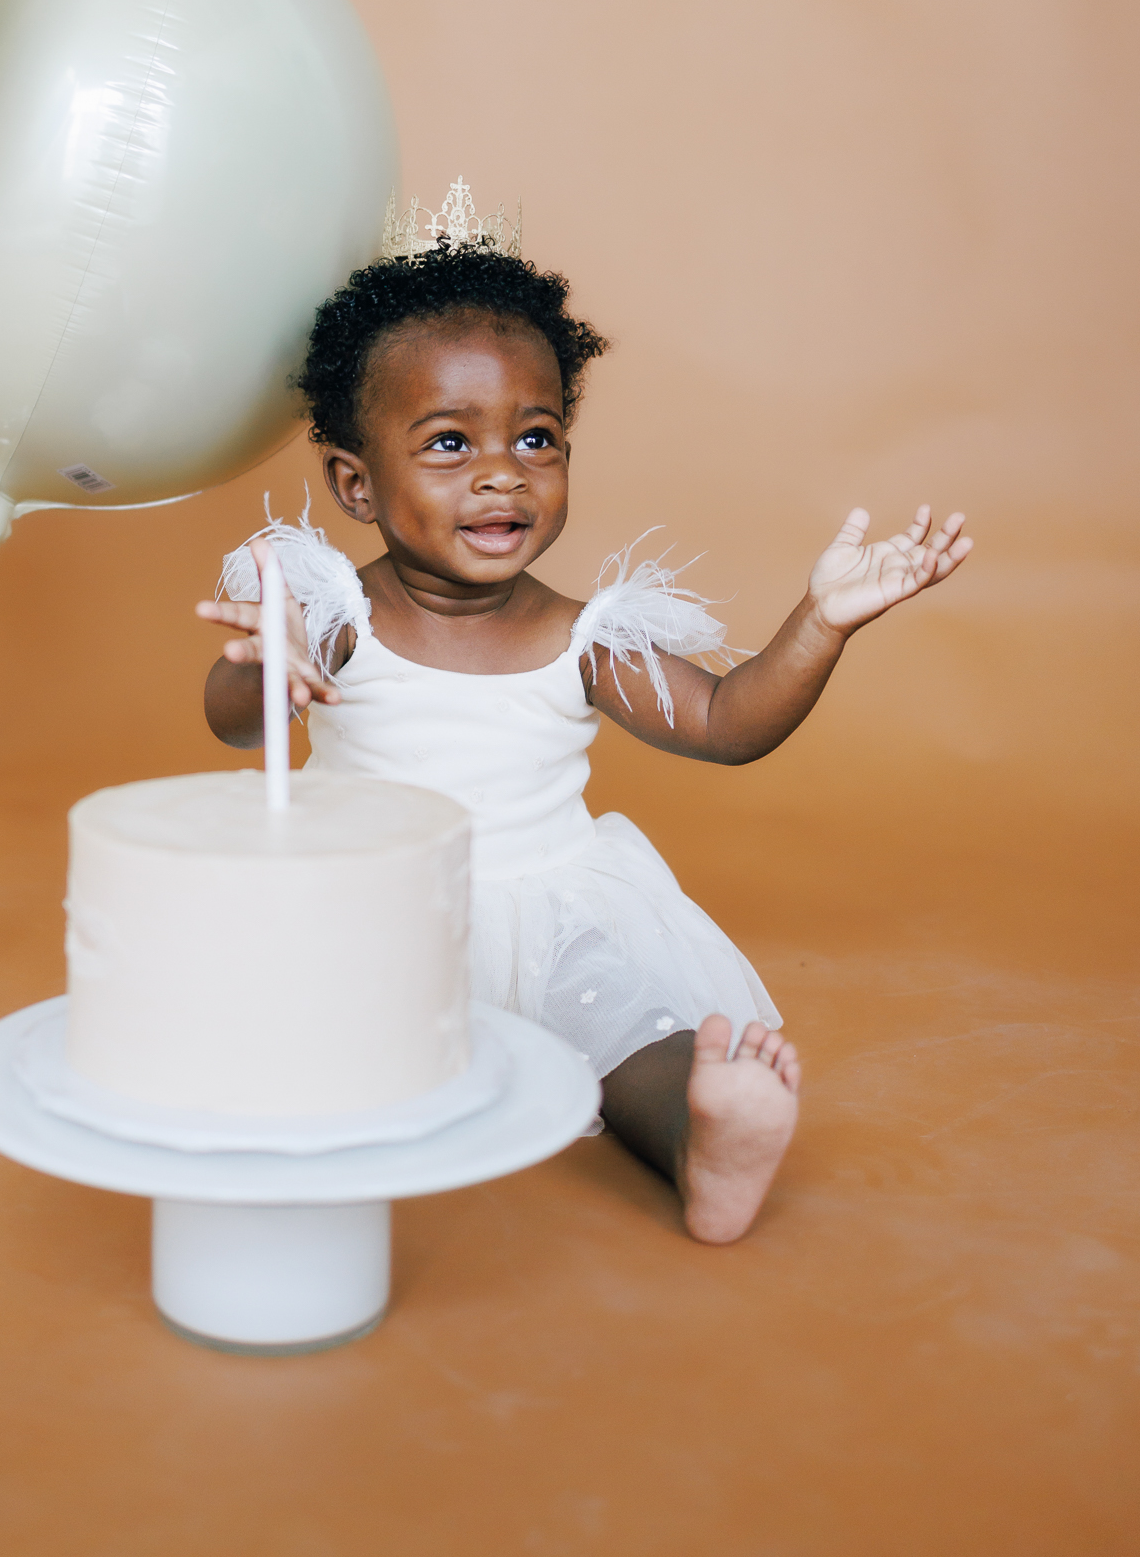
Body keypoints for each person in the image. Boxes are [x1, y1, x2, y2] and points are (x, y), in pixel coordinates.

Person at [196, 229, 971, 1243]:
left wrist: (820, 621)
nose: (502, 476)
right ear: (356, 484)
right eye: (448, 442)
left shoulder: (584, 635)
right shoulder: (334, 611)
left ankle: (702, 1136)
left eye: (536, 437)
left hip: (553, 909)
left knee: (632, 1031)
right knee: (312, 1028)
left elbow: (727, 724)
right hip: (372, 906)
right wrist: (268, 658)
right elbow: (229, 721)